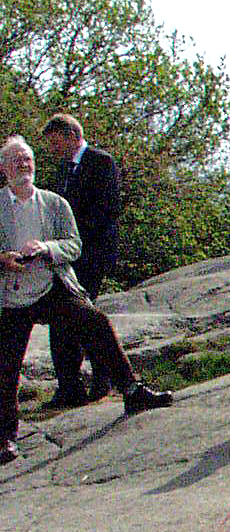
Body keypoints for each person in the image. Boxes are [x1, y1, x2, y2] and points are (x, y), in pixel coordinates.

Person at [0, 137, 172, 464]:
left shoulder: (54, 203)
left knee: (96, 322)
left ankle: (132, 391)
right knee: (5, 365)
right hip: (11, 296)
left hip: (52, 285)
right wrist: (4, 259)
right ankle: (5, 437)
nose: (24, 165)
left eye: (27, 159)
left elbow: (73, 246)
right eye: (16, 161)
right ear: (3, 169)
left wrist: (47, 248)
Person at [41, 113, 121, 407]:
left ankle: (102, 378)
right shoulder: (65, 169)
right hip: (69, 257)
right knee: (64, 319)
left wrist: (75, 241)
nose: (53, 149)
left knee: (81, 318)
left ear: (72, 135)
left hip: (92, 255)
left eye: (56, 142)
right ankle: (69, 386)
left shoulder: (101, 162)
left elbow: (108, 210)